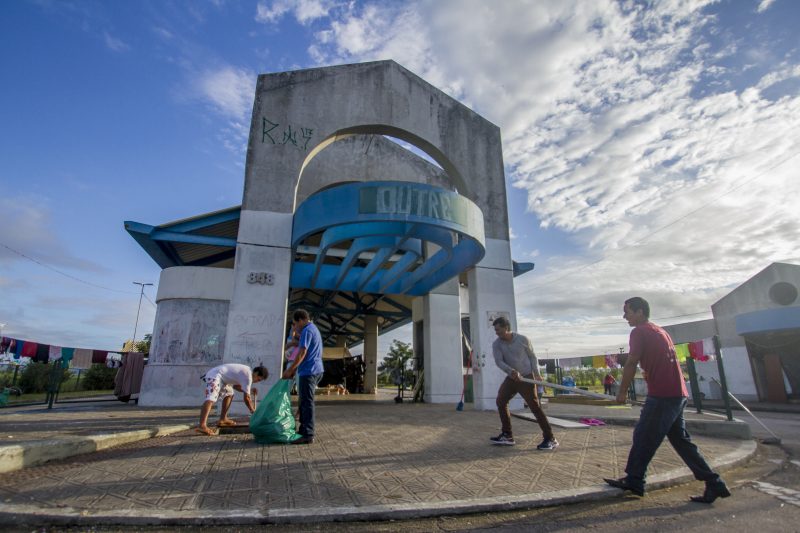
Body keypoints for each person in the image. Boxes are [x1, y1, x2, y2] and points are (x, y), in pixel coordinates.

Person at [604, 297, 730, 503]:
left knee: (644, 436)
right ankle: (714, 483)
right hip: (677, 393)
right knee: (681, 441)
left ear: (640, 312)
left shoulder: (639, 332)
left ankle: (635, 480)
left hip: (663, 395)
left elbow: (632, 362)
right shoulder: (660, 331)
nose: (624, 316)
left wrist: (622, 392)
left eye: (627, 311)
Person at [489, 316, 558, 450]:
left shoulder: (523, 339)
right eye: (495, 331)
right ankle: (507, 435)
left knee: (534, 407)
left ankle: (550, 438)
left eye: (499, 330)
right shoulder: (496, 344)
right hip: (512, 377)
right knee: (501, 401)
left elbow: (532, 357)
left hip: (527, 377)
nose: (497, 333)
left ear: (506, 328)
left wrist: (536, 373)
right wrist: (511, 371)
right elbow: (499, 361)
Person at [282, 309, 324, 444]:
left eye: (295, 323)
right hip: (315, 369)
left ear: (301, 320)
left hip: (309, 371)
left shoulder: (306, 330)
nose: (295, 326)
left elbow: (302, 352)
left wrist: (291, 369)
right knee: (304, 401)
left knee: (307, 403)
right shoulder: (314, 328)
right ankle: (303, 430)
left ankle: (308, 434)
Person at [198, 363, 268, 436]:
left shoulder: (247, 373)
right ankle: (202, 425)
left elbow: (235, 387)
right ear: (256, 373)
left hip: (223, 379)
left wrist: (250, 390)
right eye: (259, 379)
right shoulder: (248, 377)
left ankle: (223, 419)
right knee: (211, 399)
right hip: (215, 376)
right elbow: (246, 398)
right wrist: (252, 411)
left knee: (230, 393)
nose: (257, 382)